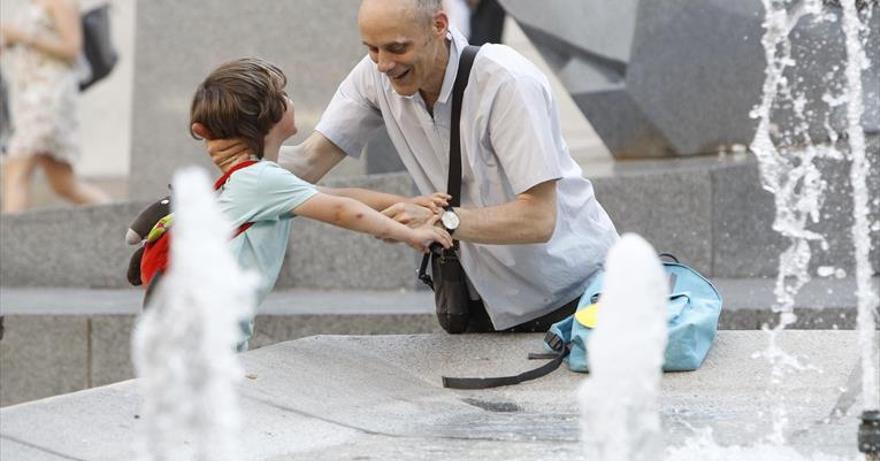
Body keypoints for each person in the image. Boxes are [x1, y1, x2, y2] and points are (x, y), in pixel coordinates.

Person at [198, 0, 619, 334]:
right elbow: (306, 164)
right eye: (371, 48)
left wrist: (441, 220)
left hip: (573, 298)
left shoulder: (506, 81)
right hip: (481, 305)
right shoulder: (374, 74)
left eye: (397, 48)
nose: (383, 64)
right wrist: (241, 154)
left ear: (439, 26)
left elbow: (539, 219)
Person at [177, 57, 452, 349]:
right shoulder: (259, 180)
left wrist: (409, 203)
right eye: (282, 95)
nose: (289, 99)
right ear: (267, 115)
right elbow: (342, 211)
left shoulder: (258, 177)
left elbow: (341, 196)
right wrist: (410, 234)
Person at [0, 0, 109, 213]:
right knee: (64, 184)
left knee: (16, 170)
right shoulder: (31, 5)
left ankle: (7, 242)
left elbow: (72, 49)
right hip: (28, 95)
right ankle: (119, 221)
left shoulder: (59, 2)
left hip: (48, 96)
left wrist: (22, 37)